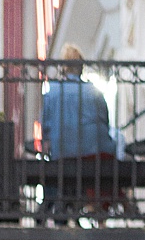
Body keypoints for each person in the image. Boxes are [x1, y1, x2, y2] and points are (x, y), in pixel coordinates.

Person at [39, 45, 116, 222]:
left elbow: (46, 128)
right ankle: (100, 215)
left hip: (64, 155)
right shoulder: (94, 91)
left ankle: (51, 216)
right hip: (94, 155)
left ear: (63, 67)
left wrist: (48, 144)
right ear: (81, 67)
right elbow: (105, 122)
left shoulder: (53, 91)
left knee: (54, 174)